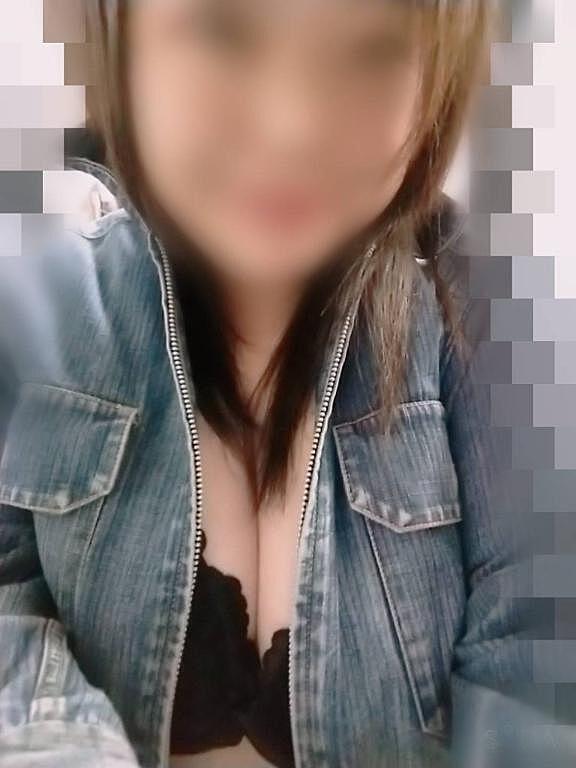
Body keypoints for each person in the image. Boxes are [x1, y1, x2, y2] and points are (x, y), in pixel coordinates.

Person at [0, 2, 562, 767]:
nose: (292, 125)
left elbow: (538, 657)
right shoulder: (41, 292)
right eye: (222, 31)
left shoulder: (487, 316)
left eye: (373, 50)